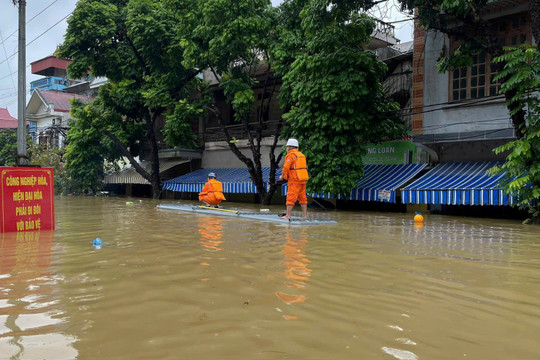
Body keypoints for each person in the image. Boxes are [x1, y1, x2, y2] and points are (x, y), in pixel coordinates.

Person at [279, 138, 309, 219]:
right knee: (303, 197)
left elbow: (286, 167)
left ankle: (288, 215)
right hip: (303, 178)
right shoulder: (302, 155)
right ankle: (305, 216)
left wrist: (283, 176)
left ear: (290, 147)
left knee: (291, 196)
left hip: (295, 179)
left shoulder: (290, 155)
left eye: (287, 146)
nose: (286, 148)